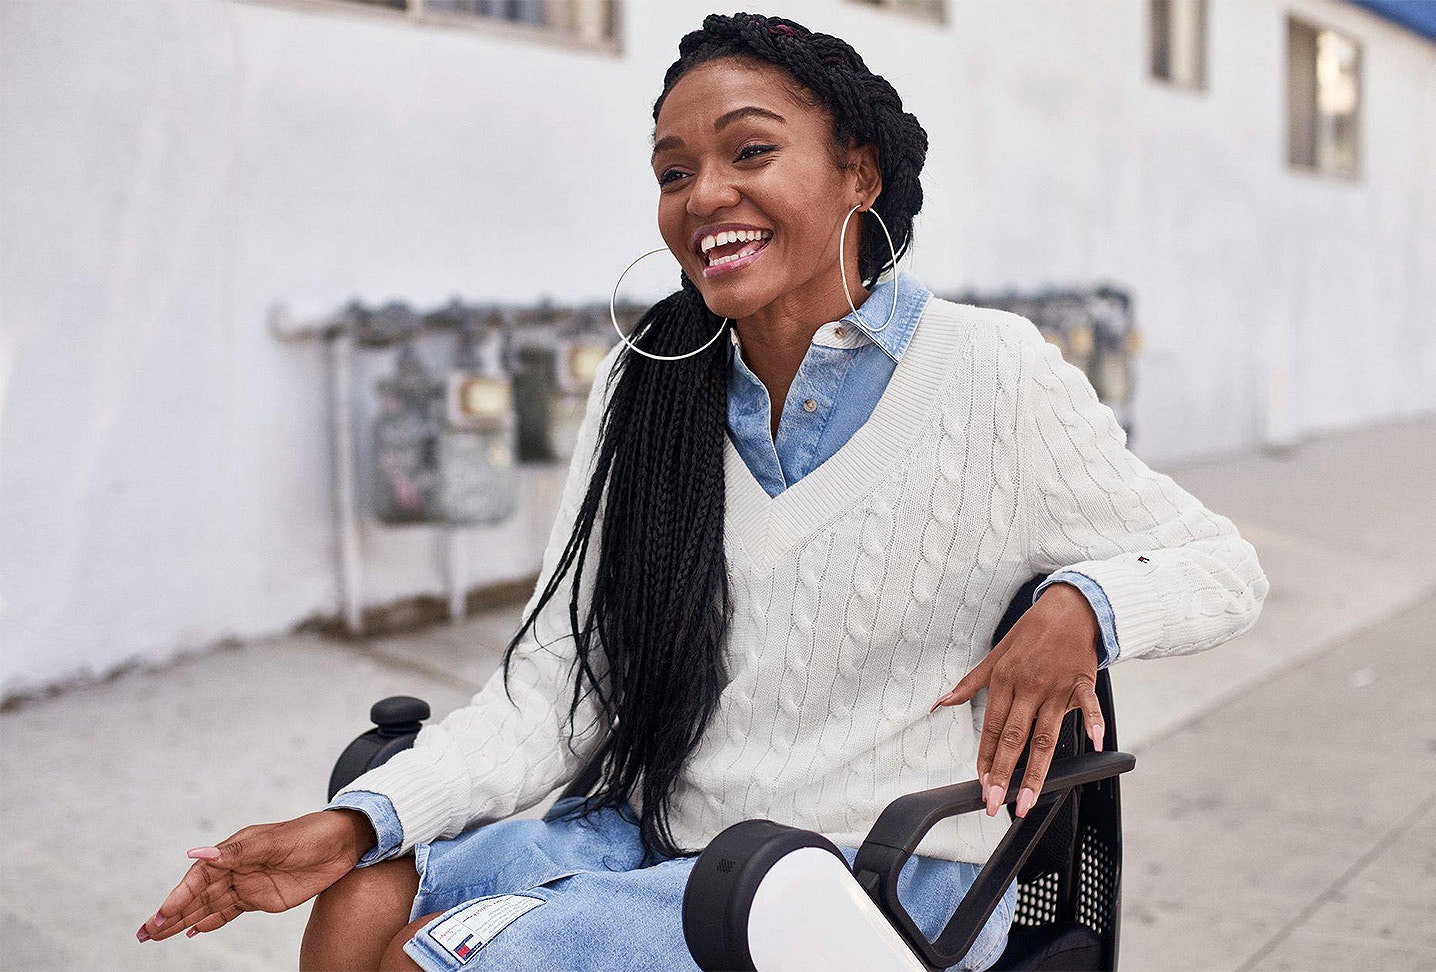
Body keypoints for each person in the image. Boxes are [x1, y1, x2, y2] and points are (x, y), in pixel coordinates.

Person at [138, 12, 1268, 971]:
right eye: (674, 172)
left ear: (857, 173)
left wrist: (1082, 606)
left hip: (874, 878)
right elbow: (555, 688)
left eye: (749, 152)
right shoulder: (648, 388)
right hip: (668, 836)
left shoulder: (990, 370)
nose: (702, 195)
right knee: (367, 898)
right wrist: (358, 821)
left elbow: (1222, 566)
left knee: (477, 956)